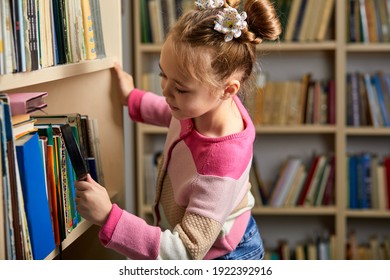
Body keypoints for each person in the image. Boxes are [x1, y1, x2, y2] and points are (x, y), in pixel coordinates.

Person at [75, 0, 281, 260]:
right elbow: (173, 113)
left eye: (181, 88)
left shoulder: (221, 162)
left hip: (223, 255)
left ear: (227, 90)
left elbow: (183, 252)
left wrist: (108, 217)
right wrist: (133, 98)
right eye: (163, 75)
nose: (165, 91)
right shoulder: (205, 105)